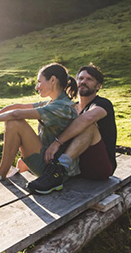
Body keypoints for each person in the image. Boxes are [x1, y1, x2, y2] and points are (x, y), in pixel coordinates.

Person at [0, 63, 79, 184]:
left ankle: (0, 175)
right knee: (14, 122)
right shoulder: (53, 103)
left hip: (55, 170)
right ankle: (1, 174)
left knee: (14, 123)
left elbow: (17, 114)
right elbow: (16, 106)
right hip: (50, 160)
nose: (37, 87)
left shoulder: (61, 107)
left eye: (39, 82)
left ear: (53, 80)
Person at [28, 63, 117, 194]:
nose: (83, 82)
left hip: (100, 167)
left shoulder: (103, 104)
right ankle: (55, 170)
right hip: (76, 167)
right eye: (80, 78)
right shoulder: (71, 107)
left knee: (89, 126)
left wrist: (57, 143)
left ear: (98, 86)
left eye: (89, 79)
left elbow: (87, 119)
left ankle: (58, 169)